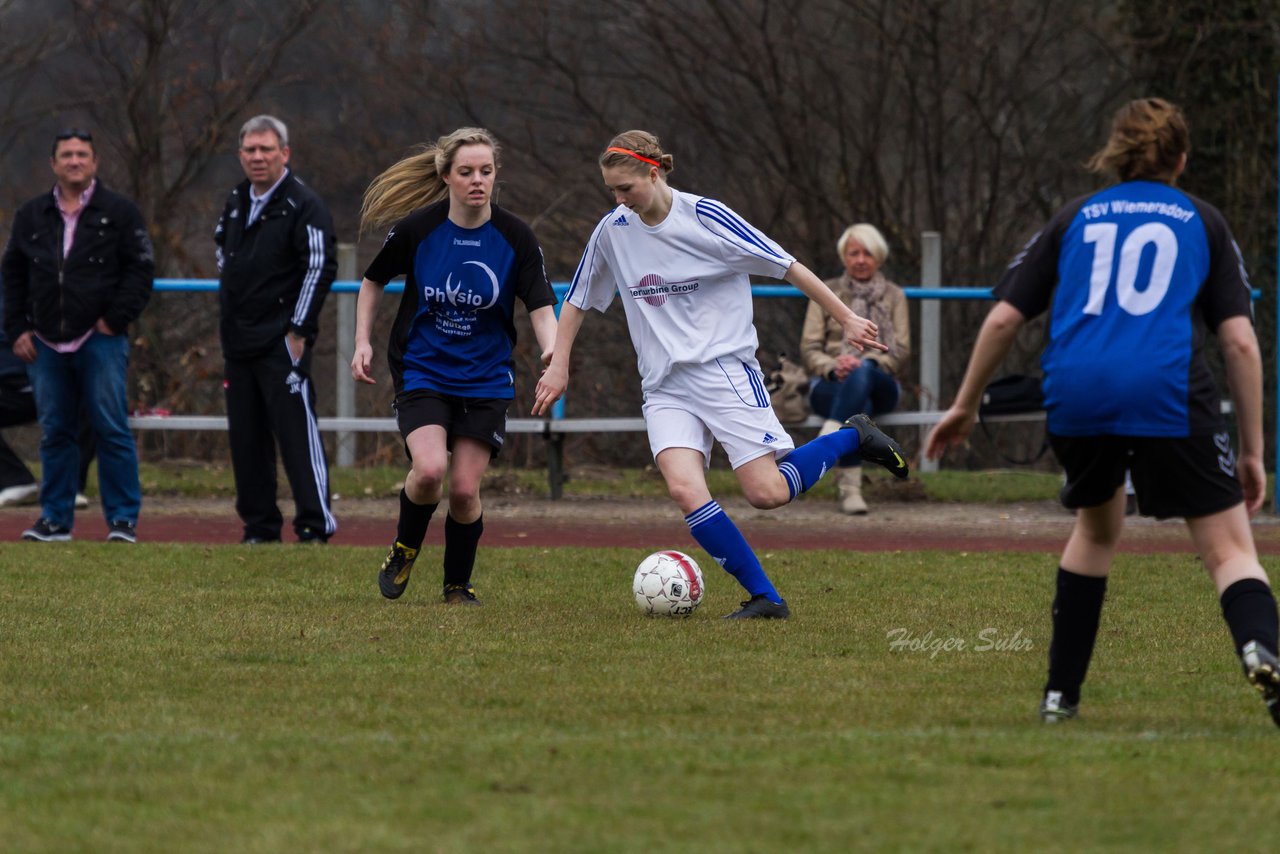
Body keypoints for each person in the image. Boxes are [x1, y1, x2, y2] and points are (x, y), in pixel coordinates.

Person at [925, 97, 1279, 727]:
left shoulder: (1074, 217)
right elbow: (1240, 342)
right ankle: (1262, 650)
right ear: (1181, 157)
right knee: (1229, 552)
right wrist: (1252, 450)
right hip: (1166, 392)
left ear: (1115, 154)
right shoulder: (1203, 219)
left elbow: (1005, 315)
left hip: (1077, 392)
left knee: (1095, 532)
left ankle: (1060, 698)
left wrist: (965, 403)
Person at [533, 130, 910, 620]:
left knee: (767, 493)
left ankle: (851, 437)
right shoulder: (613, 230)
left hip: (724, 371)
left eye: (626, 188)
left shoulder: (706, 217)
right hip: (664, 385)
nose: (619, 200)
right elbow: (578, 299)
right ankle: (766, 598)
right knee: (685, 489)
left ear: (654, 171)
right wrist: (559, 363)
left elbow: (788, 265)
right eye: (612, 191)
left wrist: (845, 318)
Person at [353, 127, 558, 605]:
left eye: (486, 171)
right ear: (446, 176)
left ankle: (457, 584)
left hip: (486, 378)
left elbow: (542, 305)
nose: (477, 180)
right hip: (423, 369)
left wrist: (554, 354)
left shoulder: (515, 236)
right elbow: (371, 281)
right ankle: (405, 549)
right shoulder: (418, 230)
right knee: (428, 472)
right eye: (466, 172)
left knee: (464, 491)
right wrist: (361, 341)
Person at [1, 128, 152, 542]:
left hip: (100, 340)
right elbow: (12, 275)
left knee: (111, 428)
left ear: (95, 162)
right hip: (45, 344)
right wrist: (17, 329)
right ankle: (55, 520)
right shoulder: (31, 215)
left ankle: (122, 520)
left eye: (82, 154)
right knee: (56, 432)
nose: (74, 161)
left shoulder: (119, 212)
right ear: (53, 164)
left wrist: (114, 320)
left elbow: (140, 270)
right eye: (66, 154)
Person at [214, 115, 337, 544]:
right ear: (241, 155)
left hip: (282, 342)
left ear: (285, 153)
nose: (258, 156)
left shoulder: (304, 204)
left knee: (296, 436)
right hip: (238, 341)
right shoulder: (235, 200)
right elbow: (221, 250)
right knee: (245, 441)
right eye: (250, 149)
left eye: (267, 149)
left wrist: (298, 330)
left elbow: (320, 268)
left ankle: (314, 525)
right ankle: (259, 527)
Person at [801, 223, 910, 514]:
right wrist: (834, 365)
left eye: (867, 253)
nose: (860, 259)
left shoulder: (894, 296)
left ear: (879, 258)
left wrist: (868, 362)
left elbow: (900, 352)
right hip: (830, 383)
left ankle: (827, 439)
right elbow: (810, 349)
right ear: (844, 257)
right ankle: (850, 491)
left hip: (881, 380)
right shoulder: (826, 292)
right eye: (854, 253)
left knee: (863, 374)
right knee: (860, 405)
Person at [0, 277, 97, 508]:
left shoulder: (40, 285)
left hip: (52, 377)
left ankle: (69, 485)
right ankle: (15, 480)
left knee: (93, 392)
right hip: (8, 388)